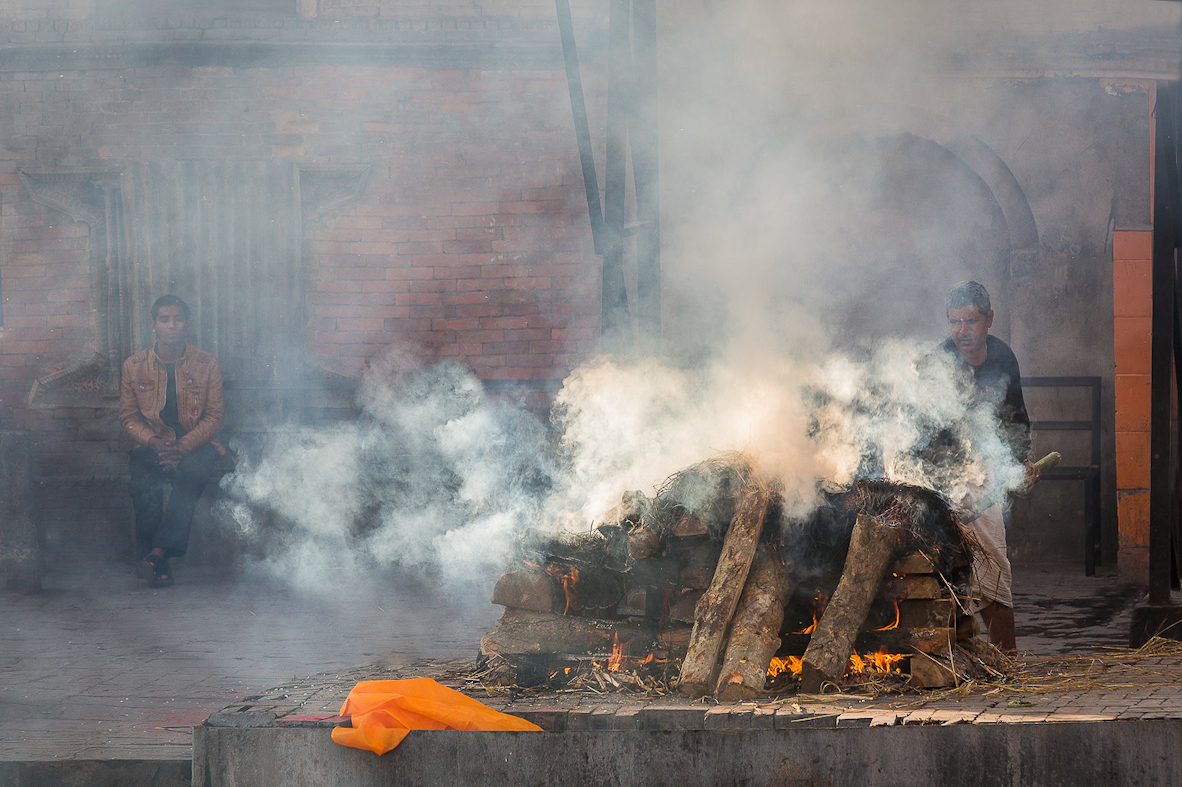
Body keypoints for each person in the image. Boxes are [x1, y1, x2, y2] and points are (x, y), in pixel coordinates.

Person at [942, 280, 1040, 653]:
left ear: (989, 319)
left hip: (985, 470)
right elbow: (930, 435)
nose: (962, 331)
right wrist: (954, 490)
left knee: (994, 559)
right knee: (943, 565)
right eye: (954, 322)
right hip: (943, 473)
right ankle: (951, 654)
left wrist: (1022, 458)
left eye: (971, 321)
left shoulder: (1002, 356)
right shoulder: (941, 362)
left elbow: (1015, 414)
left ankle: (1007, 659)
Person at [119, 295, 225, 587]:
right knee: (142, 482)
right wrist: (153, 442)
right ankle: (158, 561)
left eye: (178, 319)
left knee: (191, 476)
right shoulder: (134, 365)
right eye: (164, 320)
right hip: (152, 445)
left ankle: (155, 556)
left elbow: (214, 417)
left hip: (195, 445)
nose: (172, 325)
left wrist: (183, 446)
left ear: (188, 325)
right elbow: (128, 417)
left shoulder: (207, 363)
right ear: (153, 326)